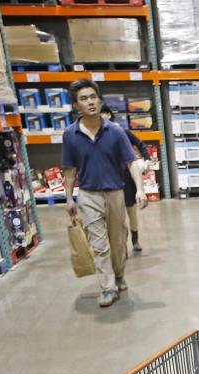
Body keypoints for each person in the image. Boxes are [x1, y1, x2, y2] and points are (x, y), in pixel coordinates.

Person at [61, 79, 135, 307]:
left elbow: (130, 162)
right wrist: (68, 197)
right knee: (99, 244)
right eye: (83, 99)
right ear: (76, 105)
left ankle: (119, 274)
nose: (90, 102)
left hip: (115, 193)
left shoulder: (115, 131)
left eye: (93, 97)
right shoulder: (70, 134)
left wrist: (140, 190)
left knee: (118, 241)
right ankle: (107, 287)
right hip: (88, 195)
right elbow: (70, 170)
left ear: (100, 101)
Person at [108, 109, 148, 253]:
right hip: (111, 180)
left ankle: (135, 240)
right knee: (117, 215)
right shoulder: (98, 137)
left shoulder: (121, 132)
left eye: (106, 114)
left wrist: (147, 159)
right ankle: (121, 244)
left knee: (131, 211)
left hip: (127, 176)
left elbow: (140, 144)